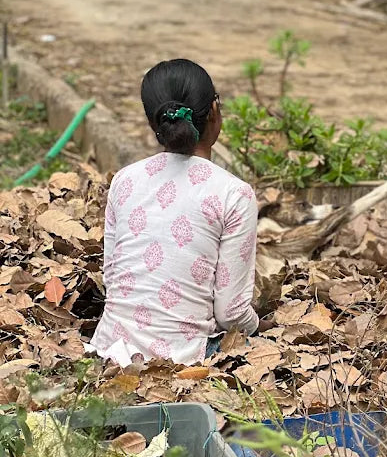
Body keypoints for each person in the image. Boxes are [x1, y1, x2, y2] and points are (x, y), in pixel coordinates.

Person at [90, 58, 260, 367]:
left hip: (108, 352)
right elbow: (231, 314)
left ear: (154, 122)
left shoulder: (125, 180)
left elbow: (112, 277)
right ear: (214, 111)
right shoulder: (234, 194)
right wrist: (259, 326)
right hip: (184, 359)